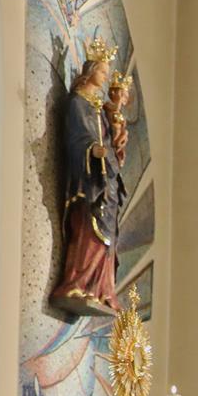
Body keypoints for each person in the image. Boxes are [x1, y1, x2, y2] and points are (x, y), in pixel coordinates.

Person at [50, 42, 125, 316]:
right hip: (89, 180)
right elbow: (75, 138)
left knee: (108, 235)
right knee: (88, 228)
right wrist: (92, 149)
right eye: (102, 71)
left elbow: (109, 141)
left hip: (107, 180)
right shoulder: (77, 103)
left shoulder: (99, 108)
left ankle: (102, 289)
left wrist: (115, 142)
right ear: (91, 70)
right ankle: (77, 283)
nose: (105, 77)